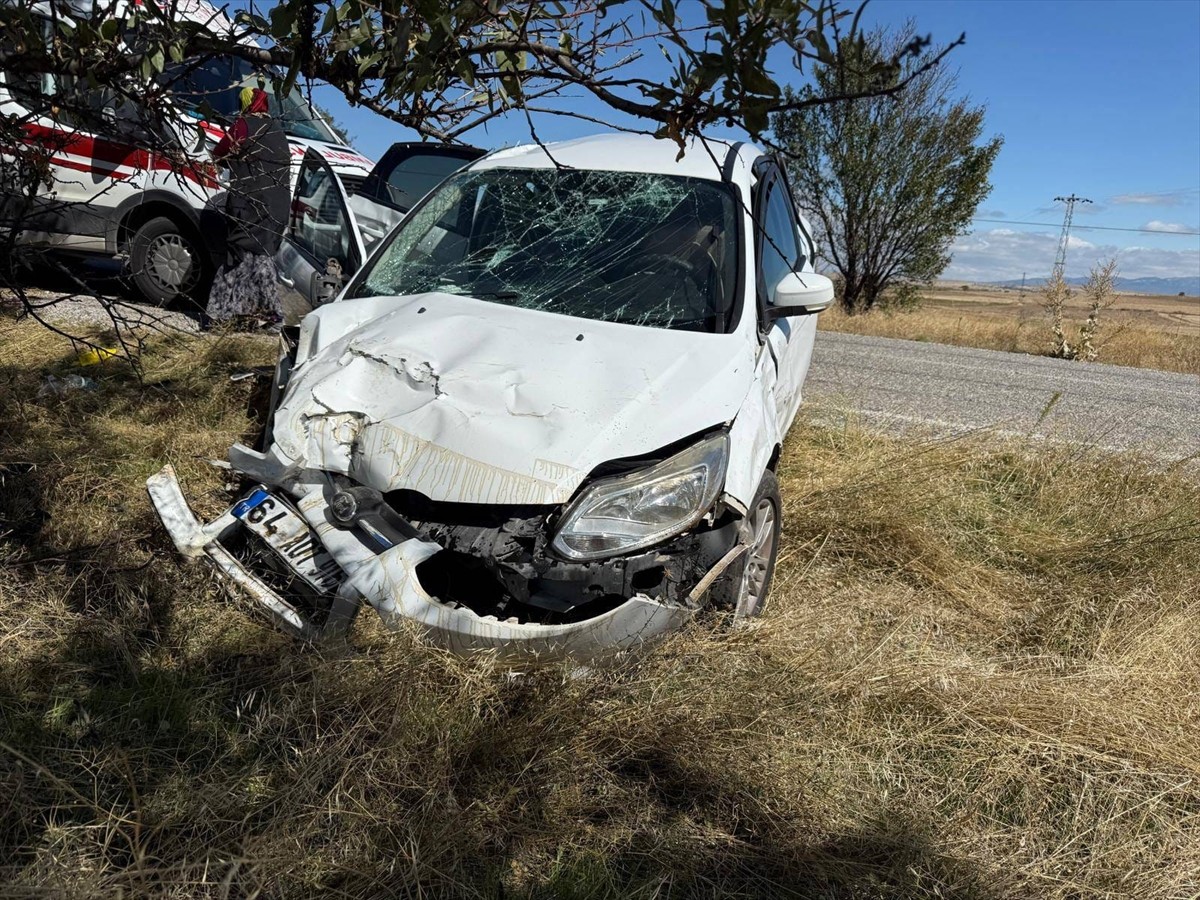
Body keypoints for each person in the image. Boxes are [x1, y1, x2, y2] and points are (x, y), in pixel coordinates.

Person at [204, 86, 290, 328]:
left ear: (246, 104)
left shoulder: (244, 125)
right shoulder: (278, 130)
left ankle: (222, 316)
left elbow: (220, 152)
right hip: (277, 208)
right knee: (261, 257)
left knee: (238, 257)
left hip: (250, 205)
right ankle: (253, 316)